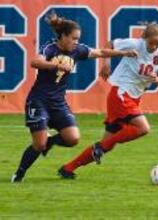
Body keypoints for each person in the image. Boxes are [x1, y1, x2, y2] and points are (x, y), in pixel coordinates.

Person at [11, 12, 137, 183]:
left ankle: (50, 141)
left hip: (58, 103)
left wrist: (123, 53)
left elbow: (100, 51)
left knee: (73, 139)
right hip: (38, 101)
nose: (76, 42)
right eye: (73, 38)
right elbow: (35, 62)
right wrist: (55, 64)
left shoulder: (78, 50)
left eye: (78, 39)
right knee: (39, 145)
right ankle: (19, 174)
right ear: (62, 36)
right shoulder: (50, 48)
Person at [58, 22, 158, 179]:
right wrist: (106, 63)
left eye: (156, 43)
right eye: (150, 43)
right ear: (144, 38)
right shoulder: (134, 44)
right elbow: (109, 44)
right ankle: (100, 146)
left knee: (107, 144)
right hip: (120, 93)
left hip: (134, 97)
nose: (152, 47)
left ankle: (68, 168)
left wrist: (156, 78)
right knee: (143, 128)